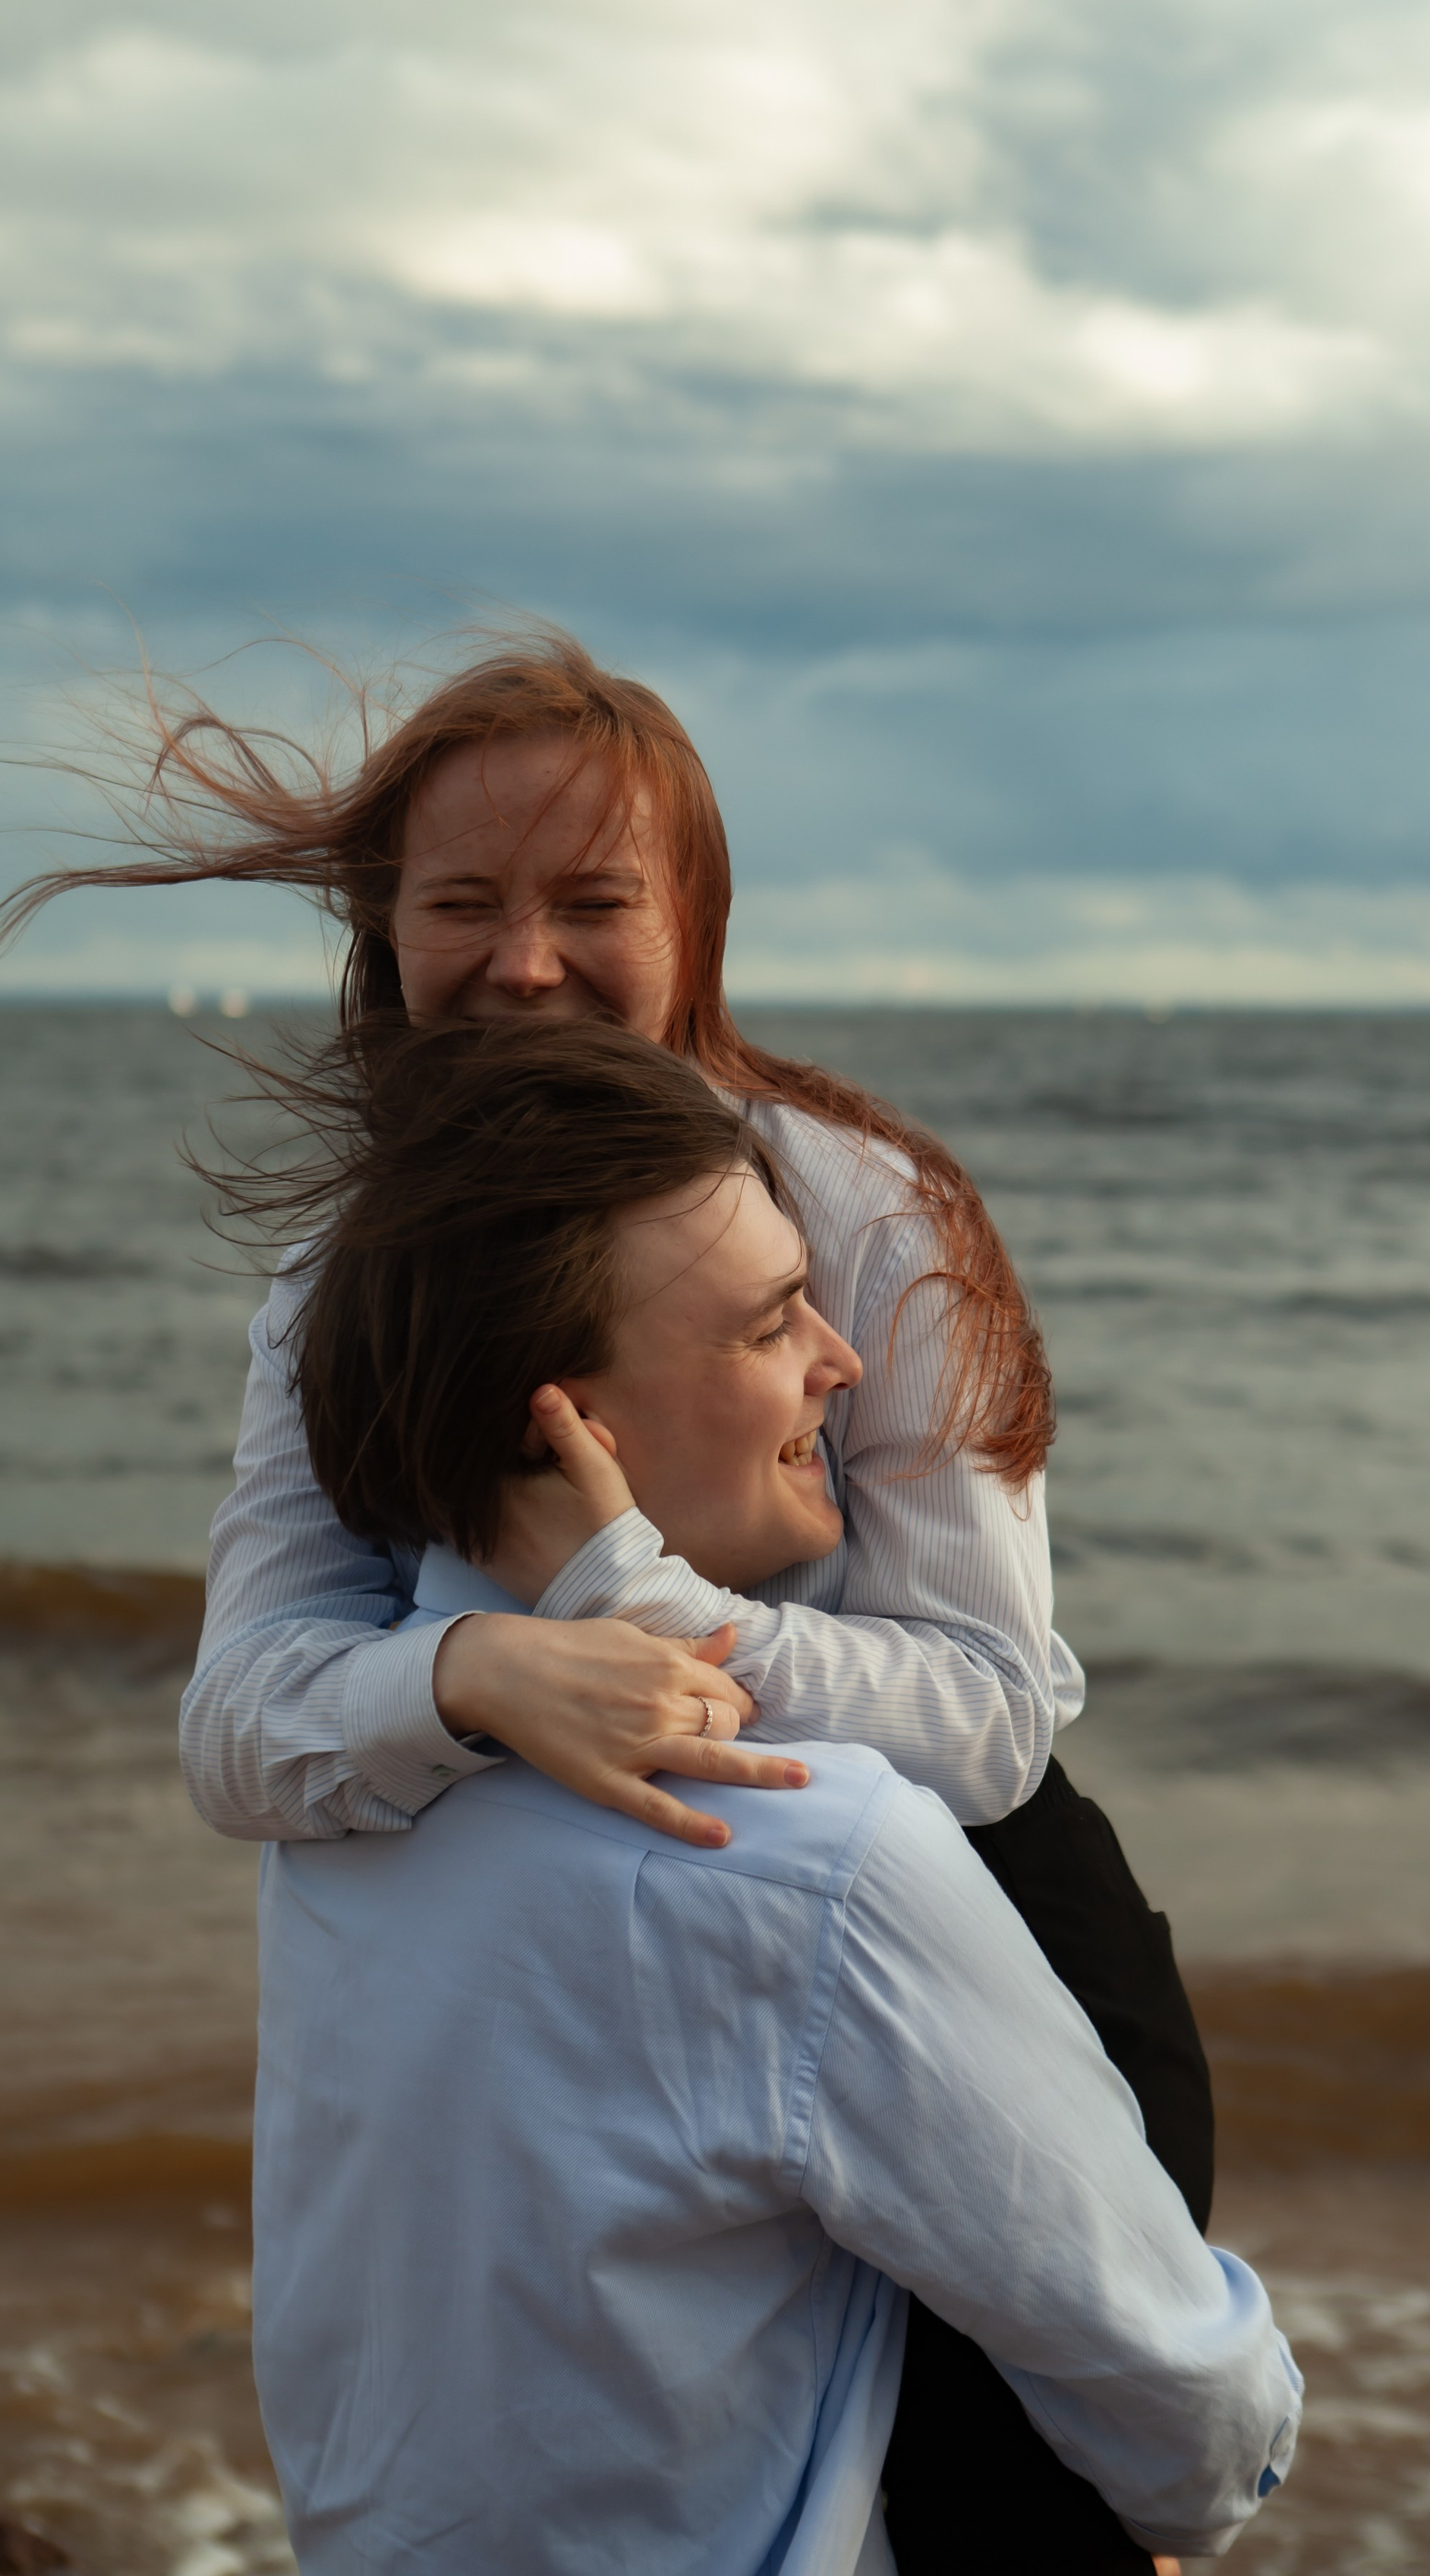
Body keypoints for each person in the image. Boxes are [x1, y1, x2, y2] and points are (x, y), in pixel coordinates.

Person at [0, 629, 1216, 2565]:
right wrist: (475, 1670)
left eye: (592, 902)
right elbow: (241, 1721)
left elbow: (985, 1712)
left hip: (972, 1968)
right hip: (603, 1995)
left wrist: (641, 1628)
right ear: (381, 936)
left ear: (694, 925)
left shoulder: (862, 1214)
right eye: (461, 903)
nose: (525, 961)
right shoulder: (348, 1278)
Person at [247, 1017, 1302, 2575]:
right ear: (571, 1429)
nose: (844, 1356)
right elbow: (1195, 2416)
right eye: (767, 1325)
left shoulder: (339, 1815)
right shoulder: (813, 1862)